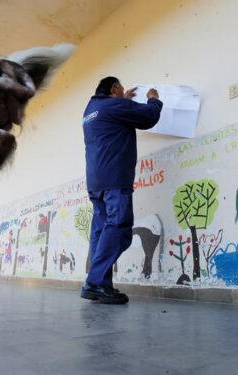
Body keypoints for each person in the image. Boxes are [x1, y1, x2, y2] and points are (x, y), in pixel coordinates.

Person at [80, 77, 162, 304]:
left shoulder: (90, 110)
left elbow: (112, 116)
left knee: (101, 231)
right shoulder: (113, 106)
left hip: (96, 182)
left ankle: (102, 286)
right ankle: (94, 282)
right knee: (120, 228)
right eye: (121, 89)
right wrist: (153, 99)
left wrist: (122, 101)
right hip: (115, 178)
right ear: (115, 88)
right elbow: (149, 117)